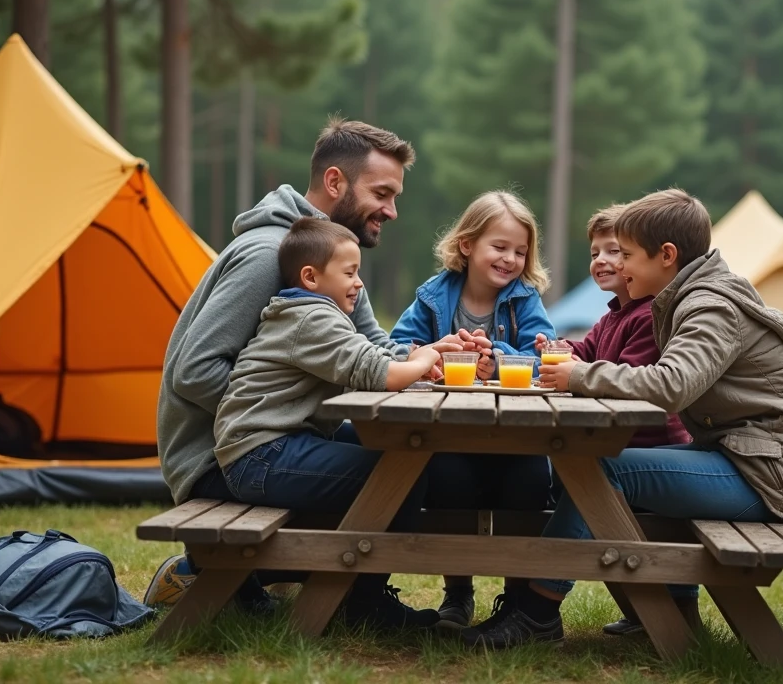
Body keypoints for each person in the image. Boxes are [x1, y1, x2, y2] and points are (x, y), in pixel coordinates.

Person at [460, 188, 783, 651]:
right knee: (605, 467)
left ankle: (536, 613)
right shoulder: (685, 298)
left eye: (629, 255)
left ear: (667, 256)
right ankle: (668, 614)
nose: (621, 267)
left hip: (768, 476)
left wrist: (580, 375)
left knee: (601, 469)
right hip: (746, 460)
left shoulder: (711, 306)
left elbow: (671, 384)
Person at [145, 118, 470, 616]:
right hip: (221, 458)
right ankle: (329, 596)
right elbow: (194, 371)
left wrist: (430, 356)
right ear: (335, 181)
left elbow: (370, 348)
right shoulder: (268, 254)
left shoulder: (331, 255)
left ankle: (271, 580)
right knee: (394, 475)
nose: (391, 210)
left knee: (415, 455)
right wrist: (285, 417)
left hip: (282, 435)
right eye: (381, 193)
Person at [214, 218, 443, 629]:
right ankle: (365, 604)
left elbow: (371, 358)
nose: (359, 283)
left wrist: (419, 358)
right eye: (350, 273)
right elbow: (379, 372)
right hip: (260, 455)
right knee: (398, 474)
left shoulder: (309, 313)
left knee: (398, 457)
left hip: (270, 447)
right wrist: (424, 359)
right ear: (311, 277)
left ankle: (357, 592)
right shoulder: (311, 319)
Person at [391, 190, 556, 630]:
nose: (510, 259)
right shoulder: (432, 296)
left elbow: (543, 358)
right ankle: (458, 592)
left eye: (520, 251)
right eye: (499, 246)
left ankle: (517, 598)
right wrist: (435, 352)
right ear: (467, 245)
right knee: (446, 480)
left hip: (518, 435)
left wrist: (498, 356)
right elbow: (397, 347)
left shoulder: (525, 300)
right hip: (451, 431)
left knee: (531, 482)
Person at [533, 204, 694, 637]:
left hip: (653, 449)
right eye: (595, 253)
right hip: (623, 445)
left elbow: (626, 377)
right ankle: (650, 612)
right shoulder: (612, 316)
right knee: (568, 478)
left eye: (616, 252)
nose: (603, 261)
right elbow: (587, 354)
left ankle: (537, 607)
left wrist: (578, 373)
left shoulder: (649, 316)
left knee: (585, 484)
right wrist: (560, 350)